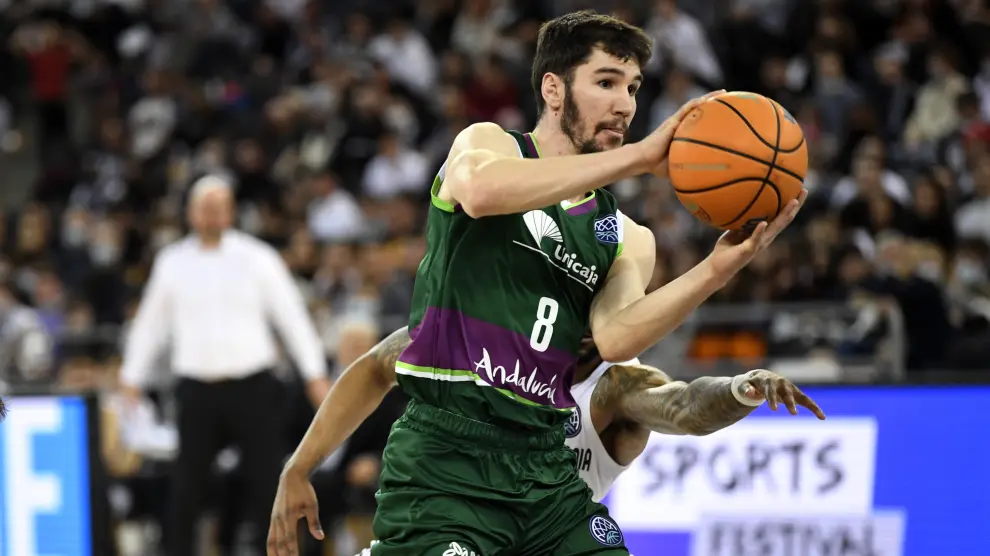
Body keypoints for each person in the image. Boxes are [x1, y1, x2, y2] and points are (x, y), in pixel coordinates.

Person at [270, 10, 806, 556]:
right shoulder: (489, 144)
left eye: (633, 87)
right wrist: (300, 466)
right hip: (447, 459)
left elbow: (617, 339)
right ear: (553, 89)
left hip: (544, 468)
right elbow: (481, 193)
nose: (625, 104)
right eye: (606, 82)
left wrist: (717, 269)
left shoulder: (625, 236)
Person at [277, 327, 825, 556]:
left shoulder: (617, 383)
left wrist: (741, 388)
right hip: (457, 520)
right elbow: (376, 365)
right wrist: (299, 467)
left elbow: (684, 406)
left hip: (545, 537)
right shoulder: (487, 331)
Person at [121, 176, 332, 556]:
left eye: (220, 206)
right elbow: (151, 324)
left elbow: (292, 318)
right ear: (191, 212)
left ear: (231, 211)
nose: (212, 214)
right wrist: (131, 376)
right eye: (205, 207)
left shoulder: (258, 258)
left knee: (269, 484)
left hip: (253, 386)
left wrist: (314, 373)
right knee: (186, 490)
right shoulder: (172, 263)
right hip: (196, 389)